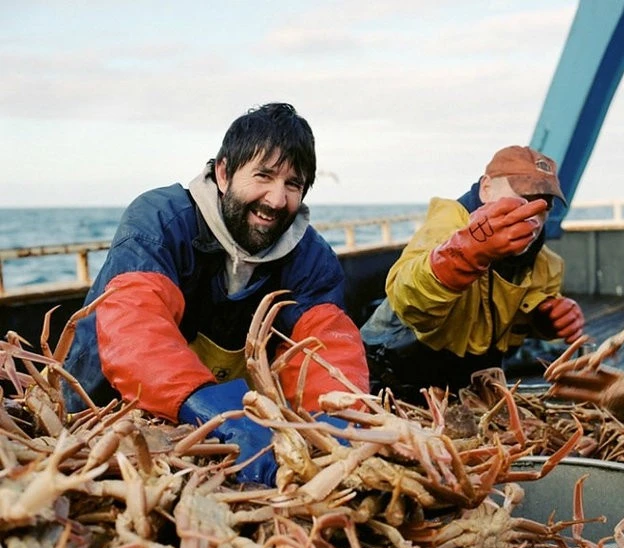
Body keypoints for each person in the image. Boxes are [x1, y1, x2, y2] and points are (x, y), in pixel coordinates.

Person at [63, 102, 369, 485]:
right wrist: (213, 411)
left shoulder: (311, 257)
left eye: (293, 184)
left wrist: (334, 424)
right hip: (102, 417)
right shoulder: (159, 220)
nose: (276, 199)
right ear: (224, 172)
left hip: (231, 438)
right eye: (263, 176)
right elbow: (134, 327)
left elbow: (326, 348)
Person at [360, 145, 584, 402]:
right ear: (486, 187)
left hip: (465, 388)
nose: (534, 213)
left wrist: (544, 320)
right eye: (523, 197)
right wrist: (461, 255)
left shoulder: (545, 263)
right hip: (387, 378)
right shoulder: (447, 225)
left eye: (545, 204)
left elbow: (521, 318)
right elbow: (407, 298)